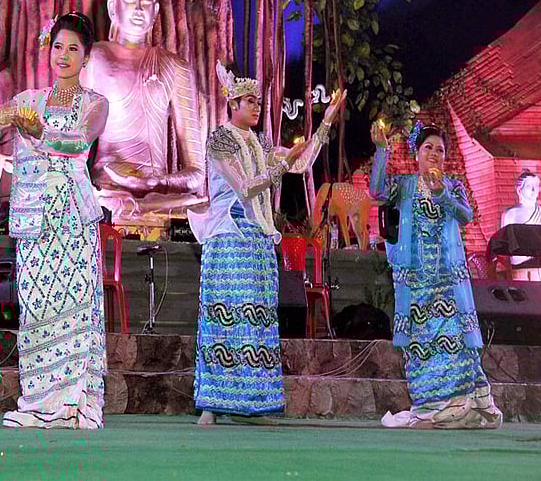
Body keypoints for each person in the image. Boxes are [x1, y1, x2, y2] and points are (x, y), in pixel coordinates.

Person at [0, 12, 109, 428]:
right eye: (58, 46)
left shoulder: (94, 103)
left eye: (74, 48)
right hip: (33, 216)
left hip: (72, 215)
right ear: (48, 50)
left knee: (72, 308)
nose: (64, 55)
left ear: (86, 57)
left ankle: (72, 405)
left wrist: (39, 133)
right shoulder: (26, 100)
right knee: (37, 308)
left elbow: (79, 141)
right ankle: (40, 402)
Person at [187, 62, 345, 425]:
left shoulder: (259, 141)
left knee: (257, 320)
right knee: (226, 316)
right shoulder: (221, 139)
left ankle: (252, 403)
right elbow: (244, 187)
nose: (257, 108)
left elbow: (301, 165)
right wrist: (278, 168)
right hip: (229, 238)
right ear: (234, 104)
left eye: (258, 102)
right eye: (250, 102)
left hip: (257, 240)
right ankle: (212, 404)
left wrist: (325, 123)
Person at [370, 120, 502, 429]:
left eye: (440, 150)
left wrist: (442, 193)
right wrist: (380, 150)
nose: (434, 153)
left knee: (455, 344)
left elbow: (467, 216)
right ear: (416, 153)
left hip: (448, 282)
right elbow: (376, 191)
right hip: (415, 284)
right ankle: (429, 410)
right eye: (428, 147)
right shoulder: (404, 186)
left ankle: (459, 407)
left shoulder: (453, 185)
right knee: (421, 346)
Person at [80, 0, 206, 221]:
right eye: (130, 0)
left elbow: (196, 173)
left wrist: (155, 181)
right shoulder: (94, 58)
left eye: (146, 2)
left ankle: (137, 207)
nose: (139, 9)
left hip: (158, 192)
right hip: (108, 185)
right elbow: (73, 143)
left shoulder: (175, 66)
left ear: (156, 12)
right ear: (113, 8)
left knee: (198, 205)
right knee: (103, 201)